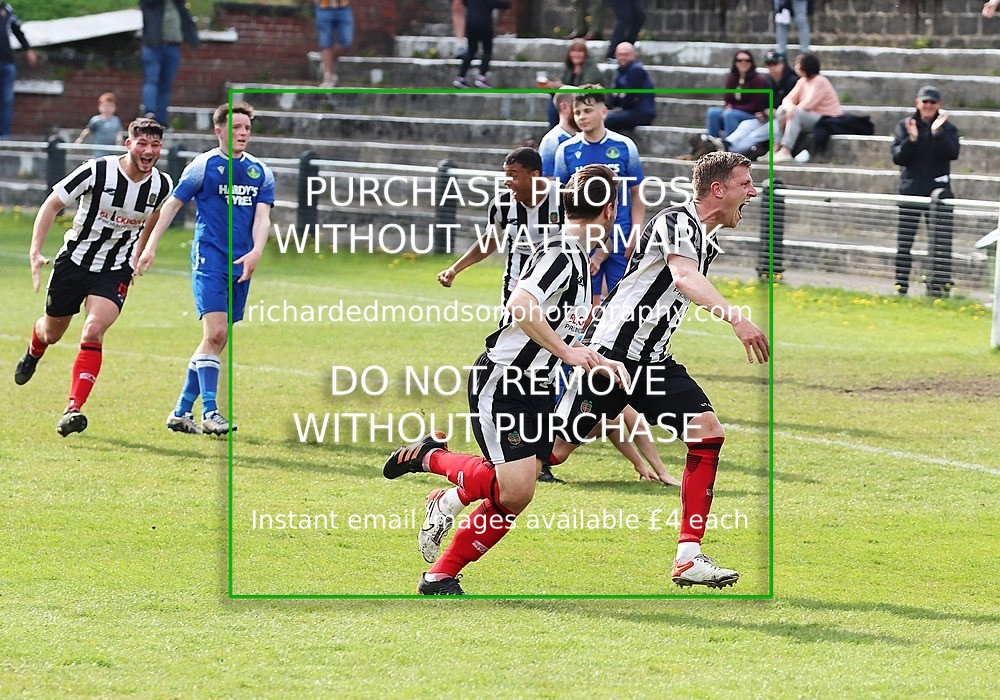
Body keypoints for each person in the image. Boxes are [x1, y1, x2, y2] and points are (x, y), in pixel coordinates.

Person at [384, 165, 627, 594]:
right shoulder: (562, 251)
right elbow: (521, 304)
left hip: (535, 385)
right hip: (505, 382)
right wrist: (567, 352)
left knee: (524, 485)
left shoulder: (576, 256)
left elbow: (554, 323)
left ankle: (440, 574)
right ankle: (430, 460)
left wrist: (589, 352)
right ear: (609, 210)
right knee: (514, 491)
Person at [548, 151, 768, 589]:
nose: (753, 192)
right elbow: (683, 277)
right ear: (718, 189)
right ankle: (447, 479)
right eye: (745, 184)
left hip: (652, 362)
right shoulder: (675, 220)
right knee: (547, 456)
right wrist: (737, 318)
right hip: (611, 356)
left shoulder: (705, 239)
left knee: (707, 432)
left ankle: (688, 557)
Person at [14, 118, 171, 436]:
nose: (148, 151)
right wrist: (35, 251)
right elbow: (52, 205)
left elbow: (153, 213)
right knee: (51, 333)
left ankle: (73, 409)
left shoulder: (161, 184)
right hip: (73, 264)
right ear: (128, 144)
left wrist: (140, 251)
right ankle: (34, 351)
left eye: (155, 145)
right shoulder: (97, 171)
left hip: (114, 270)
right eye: (142, 143)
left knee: (93, 329)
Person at [135, 103, 275, 435]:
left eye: (247, 128)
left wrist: (256, 252)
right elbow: (171, 205)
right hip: (209, 259)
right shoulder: (203, 166)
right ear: (219, 130)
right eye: (236, 127)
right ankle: (211, 413)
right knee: (216, 334)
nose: (243, 133)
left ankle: (181, 412)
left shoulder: (260, 171)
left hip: (240, 264)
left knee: (215, 340)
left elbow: (262, 217)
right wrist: (150, 246)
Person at [437, 147, 563, 309]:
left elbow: (584, 231)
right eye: (506, 175)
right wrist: (455, 269)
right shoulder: (502, 204)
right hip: (516, 284)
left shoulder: (563, 197)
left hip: (557, 286)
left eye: (513, 176)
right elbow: (490, 240)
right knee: (514, 324)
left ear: (534, 175)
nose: (506, 182)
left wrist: (592, 259)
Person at [891, 85, 960, 298]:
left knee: (940, 244)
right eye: (925, 101)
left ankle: (938, 288)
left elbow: (952, 153)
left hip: (938, 193)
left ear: (938, 104)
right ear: (917, 103)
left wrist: (937, 134)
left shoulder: (947, 127)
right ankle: (901, 286)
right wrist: (912, 140)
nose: (928, 105)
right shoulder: (905, 126)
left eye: (932, 102)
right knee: (904, 244)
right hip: (911, 192)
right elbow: (898, 157)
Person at [724, 50, 798, 157]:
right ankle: (725, 143)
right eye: (769, 64)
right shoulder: (768, 81)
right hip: (768, 118)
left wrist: (778, 112)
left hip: (785, 120)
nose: (772, 67)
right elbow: (763, 104)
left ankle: (731, 151)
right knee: (746, 125)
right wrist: (764, 112)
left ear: (783, 64)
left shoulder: (793, 80)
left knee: (756, 134)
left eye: (775, 64)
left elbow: (795, 105)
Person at [772, 52, 842, 162]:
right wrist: (789, 108)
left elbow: (809, 104)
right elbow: (787, 99)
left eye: (798, 65)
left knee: (795, 114)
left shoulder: (820, 81)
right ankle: (776, 148)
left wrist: (791, 111)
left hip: (826, 119)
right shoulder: (802, 81)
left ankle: (786, 150)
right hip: (809, 116)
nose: (796, 68)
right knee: (781, 110)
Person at [140, 0, 200, 126]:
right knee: (151, 80)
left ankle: (161, 119)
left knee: (166, 84)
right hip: (153, 46)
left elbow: (186, 18)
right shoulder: (152, 3)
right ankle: (150, 112)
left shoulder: (178, 3)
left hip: (173, 47)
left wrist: (193, 39)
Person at [704, 50, 768, 143]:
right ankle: (711, 142)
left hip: (751, 115)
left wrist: (733, 108)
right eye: (739, 60)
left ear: (751, 63)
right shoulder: (732, 78)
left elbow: (755, 106)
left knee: (729, 114)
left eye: (747, 60)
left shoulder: (758, 80)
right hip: (733, 112)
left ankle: (729, 145)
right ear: (735, 63)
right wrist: (730, 106)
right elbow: (728, 99)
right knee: (713, 112)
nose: (743, 63)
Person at [543, 38, 603, 128]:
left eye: (580, 51)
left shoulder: (592, 69)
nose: (576, 54)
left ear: (585, 54)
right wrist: (551, 87)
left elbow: (586, 90)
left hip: (588, 100)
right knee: (554, 99)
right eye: (574, 51)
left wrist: (561, 86)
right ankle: (555, 129)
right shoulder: (569, 68)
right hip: (572, 100)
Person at [453, 0, 511, 89]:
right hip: (485, 24)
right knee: (487, 51)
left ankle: (460, 77)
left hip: (471, 24)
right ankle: (481, 78)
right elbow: (502, 4)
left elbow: (463, 3)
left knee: (471, 50)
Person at [0, 2, 36, 139]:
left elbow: (17, 30)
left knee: (7, 100)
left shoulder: (7, 10)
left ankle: (4, 136)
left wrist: (28, 49)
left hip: (7, 62)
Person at [604, 42, 655, 132]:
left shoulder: (636, 70)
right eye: (620, 55)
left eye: (626, 55)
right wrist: (620, 96)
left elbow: (628, 99)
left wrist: (620, 96)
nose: (622, 57)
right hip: (629, 111)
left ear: (633, 55)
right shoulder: (620, 71)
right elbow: (614, 100)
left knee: (607, 119)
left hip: (641, 113)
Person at [313, 0, 354, 88]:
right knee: (325, 42)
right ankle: (327, 77)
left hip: (343, 7)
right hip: (324, 7)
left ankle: (327, 62)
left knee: (346, 42)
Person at [539, 88, 579, 177]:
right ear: (564, 107)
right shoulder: (552, 141)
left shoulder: (581, 138)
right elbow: (547, 178)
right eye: (577, 105)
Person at [76, 92, 124, 158]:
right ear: (100, 107)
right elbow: (88, 131)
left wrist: (119, 143)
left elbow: (119, 133)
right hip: (98, 153)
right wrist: (80, 140)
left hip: (112, 153)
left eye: (110, 106)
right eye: (105, 106)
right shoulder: (95, 120)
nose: (107, 108)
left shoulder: (116, 120)